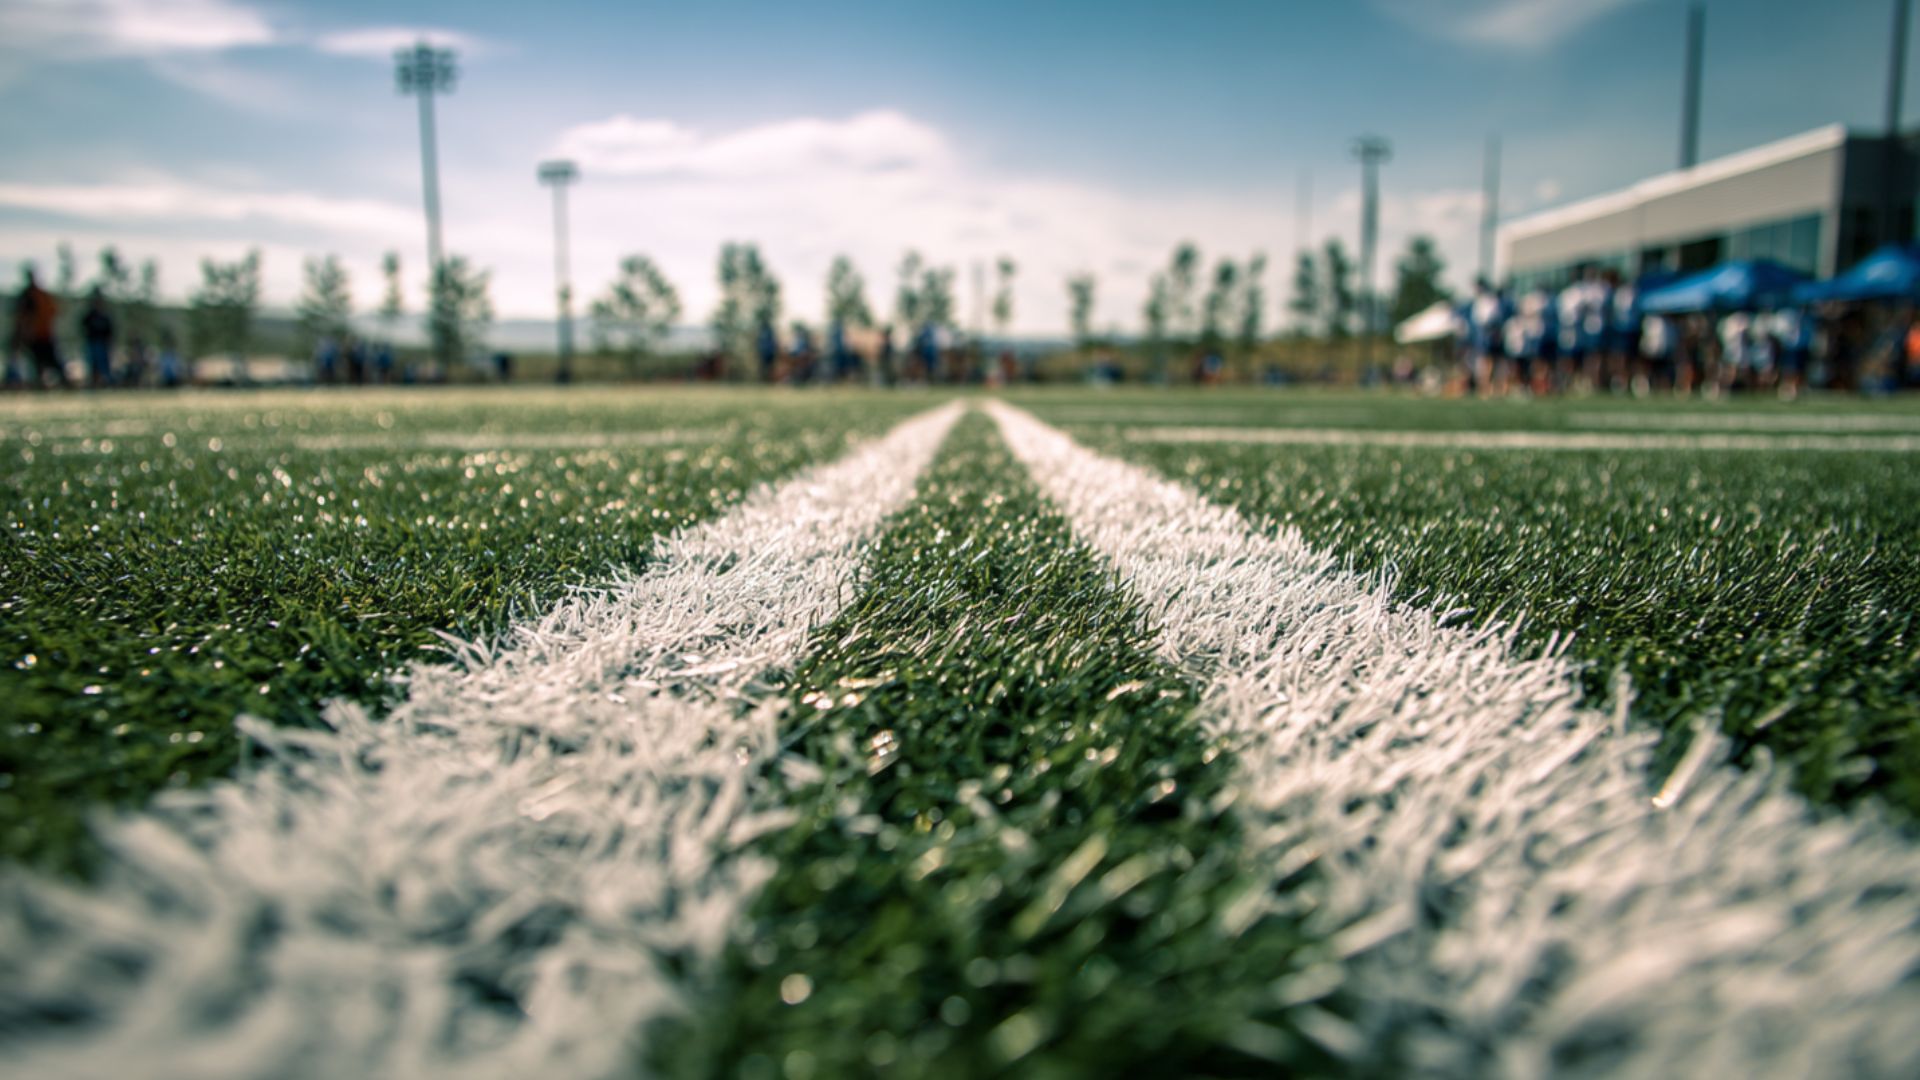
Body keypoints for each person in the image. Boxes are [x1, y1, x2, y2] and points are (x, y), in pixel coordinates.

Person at [10, 268, 69, 389]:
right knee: (39, 362)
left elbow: (53, 311)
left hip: (43, 334)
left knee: (49, 361)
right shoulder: (30, 295)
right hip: (35, 335)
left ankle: (60, 382)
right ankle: (42, 383)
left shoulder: (38, 295)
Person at [80, 287, 115, 388]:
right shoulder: (90, 314)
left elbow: (110, 332)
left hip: (102, 343)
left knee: (103, 365)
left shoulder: (105, 316)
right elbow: (83, 325)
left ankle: (106, 383)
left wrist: (110, 343)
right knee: (92, 365)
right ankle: (94, 383)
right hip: (92, 342)